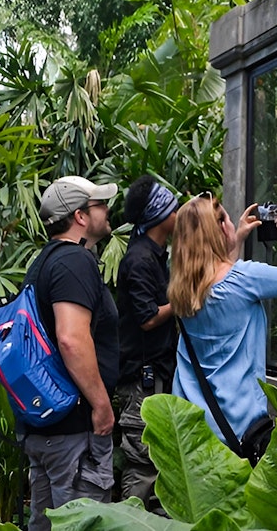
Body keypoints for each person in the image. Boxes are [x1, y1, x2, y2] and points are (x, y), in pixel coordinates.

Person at [168, 194, 277, 455]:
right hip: (239, 428)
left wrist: (235, 240)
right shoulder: (245, 279)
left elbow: (216, 277)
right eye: (225, 220)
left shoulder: (183, 288)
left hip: (195, 425)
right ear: (221, 229)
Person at [25, 175, 120, 531]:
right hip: (73, 430)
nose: (107, 211)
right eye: (100, 205)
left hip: (49, 428)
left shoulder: (44, 263)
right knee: (82, 522)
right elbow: (71, 338)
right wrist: (100, 404)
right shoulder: (74, 262)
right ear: (80, 216)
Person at [115, 175, 178, 506]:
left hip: (157, 374)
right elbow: (148, 317)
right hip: (143, 379)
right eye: (172, 206)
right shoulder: (139, 259)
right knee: (143, 463)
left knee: (157, 461)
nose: (178, 210)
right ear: (159, 215)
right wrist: (182, 301)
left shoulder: (156, 254)